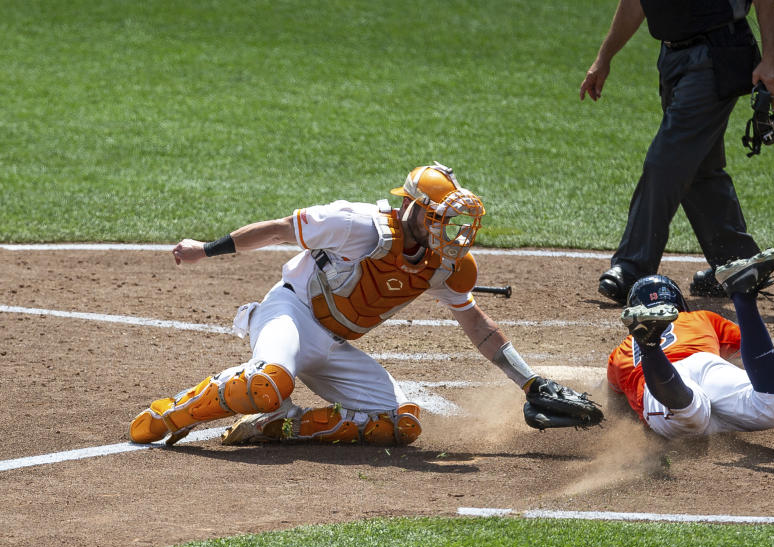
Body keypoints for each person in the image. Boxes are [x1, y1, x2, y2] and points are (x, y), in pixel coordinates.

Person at [130, 163, 599, 447]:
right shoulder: (357, 225)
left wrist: (529, 380)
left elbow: (477, 324)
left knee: (399, 424)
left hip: (334, 345)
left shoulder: (447, 264)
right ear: (414, 208)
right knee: (268, 380)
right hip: (289, 314)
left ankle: (279, 429)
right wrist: (205, 250)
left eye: (458, 224)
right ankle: (172, 413)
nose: (453, 233)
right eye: (443, 220)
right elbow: (277, 229)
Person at [580, 0, 774, 303]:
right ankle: (738, 264)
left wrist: (772, 59)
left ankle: (632, 268)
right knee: (699, 168)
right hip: (672, 58)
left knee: (665, 162)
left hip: (716, 54)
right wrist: (604, 57)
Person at [606, 246, 774, 439]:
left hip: (662, 383)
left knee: (691, 418)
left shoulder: (621, 352)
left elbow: (615, 399)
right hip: (706, 364)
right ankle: (743, 296)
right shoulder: (701, 317)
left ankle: (650, 346)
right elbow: (754, 346)